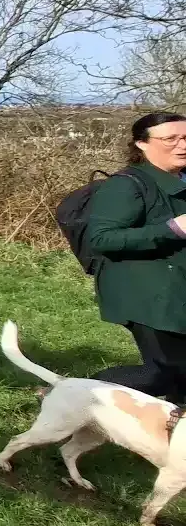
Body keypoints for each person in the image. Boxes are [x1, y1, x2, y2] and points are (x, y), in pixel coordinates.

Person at [88, 111, 186, 402]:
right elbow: (101, 238)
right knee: (163, 375)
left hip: (177, 290)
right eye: (170, 139)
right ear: (142, 144)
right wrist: (172, 228)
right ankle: (76, 392)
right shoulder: (127, 185)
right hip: (148, 295)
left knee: (179, 378)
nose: (182, 145)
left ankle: (170, 426)